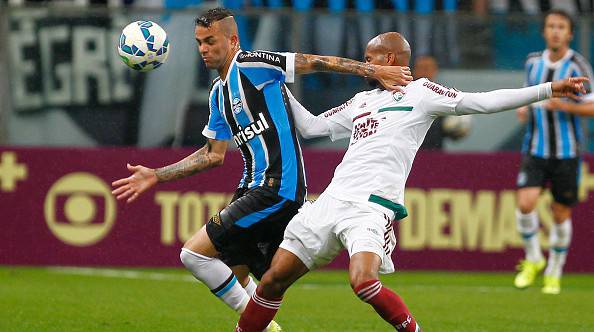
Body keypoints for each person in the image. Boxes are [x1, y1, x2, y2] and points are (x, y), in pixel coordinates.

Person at [235, 31, 587, 332]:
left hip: (371, 207)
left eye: (369, 59)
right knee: (272, 280)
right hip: (329, 202)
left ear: (389, 58)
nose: (365, 66)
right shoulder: (362, 100)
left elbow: (482, 102)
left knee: (363, 281)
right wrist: (276, 84)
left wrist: (549, 89)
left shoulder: (421, 93)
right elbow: (312, 127)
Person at [110, 6, 413, 328]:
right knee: (240, 272)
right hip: (251, 188)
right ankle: (262, 321)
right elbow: (212, 155)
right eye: (199, 42)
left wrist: (372, 72)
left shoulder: (252, 64)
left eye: (211, 41)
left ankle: (266, 327)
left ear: (233, 40)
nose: (204, 49)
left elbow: (314, 61)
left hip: (276, 188)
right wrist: (157, 174)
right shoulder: (218, 93)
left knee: (193, 254)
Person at [513, 9, 594, 295]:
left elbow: (592, 106)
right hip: (535, 148)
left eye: (561, 27)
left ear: (570, 33)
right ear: (545, 31)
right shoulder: (532, 63)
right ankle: (534, 258)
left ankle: (554, 271)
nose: (556, 31)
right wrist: (523, 107)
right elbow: (529, 92)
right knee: (525, 203)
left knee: (560, 214)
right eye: (551, 26)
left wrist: (566, 106)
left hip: (567, 152)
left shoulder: (578, 66)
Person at [413, 55, 471, 150]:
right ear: (414, 71)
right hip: (410, 153)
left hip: (435, 154)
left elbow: (452, 133)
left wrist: (457, 129)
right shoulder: (404, 94)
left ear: (435, 70)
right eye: (421, 68)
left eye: (428, 68)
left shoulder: (444, 96)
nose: (424, 71)